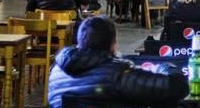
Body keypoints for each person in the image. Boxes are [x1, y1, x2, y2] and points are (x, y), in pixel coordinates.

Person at [48, 17, 189, 108]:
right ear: (113, 43)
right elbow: (178, 86)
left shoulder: (57, 72)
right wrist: (166, 67)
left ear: (79, 41)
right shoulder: (118, 74)